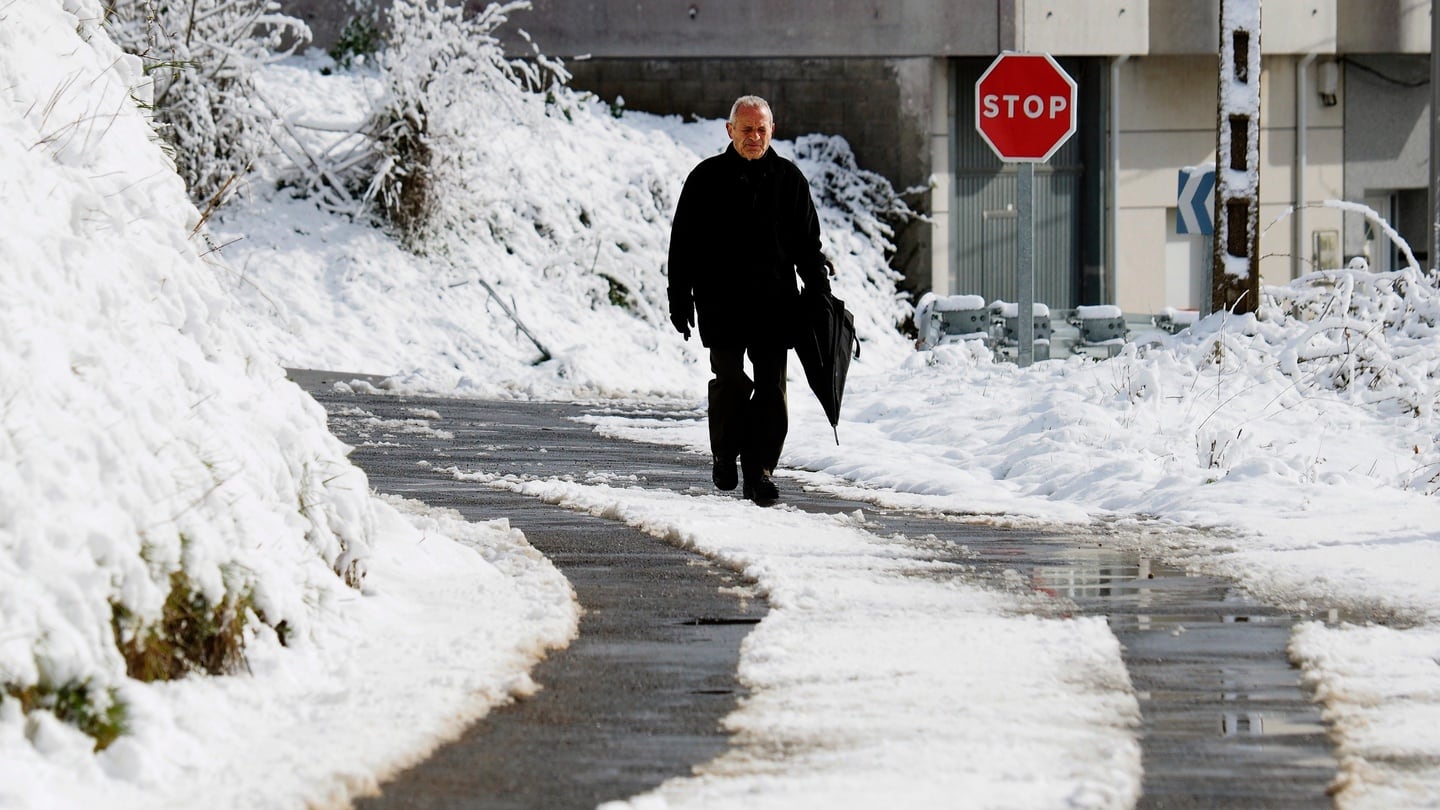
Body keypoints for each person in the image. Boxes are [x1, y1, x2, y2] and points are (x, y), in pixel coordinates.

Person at [666, 95, 830, 505]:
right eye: (746, 130)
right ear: (730, 131)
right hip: (720, 303)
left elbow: (808, 246)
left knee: (772, 389)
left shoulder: (790, 179)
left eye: (761, 129)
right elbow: (682, 244)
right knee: (732, 382)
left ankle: (759, 471)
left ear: (772, 131)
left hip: (775, 304)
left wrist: (818, 293)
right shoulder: (705, 178)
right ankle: (725, 451)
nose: (754, 137)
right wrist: (679, 298)